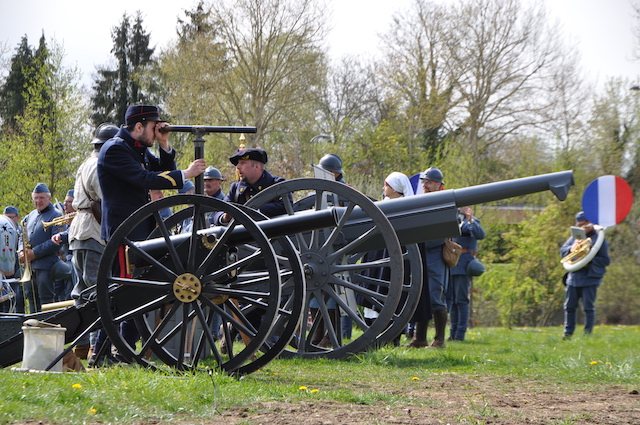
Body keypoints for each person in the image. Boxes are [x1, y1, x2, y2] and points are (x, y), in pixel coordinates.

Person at [93, 105, 206, 365]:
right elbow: (146, 179)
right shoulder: (115, 149)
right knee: (123, 291)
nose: (157, 131)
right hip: (124, 230)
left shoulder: (137, 149)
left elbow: (160, 169)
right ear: (139, 126)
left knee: (138, 291)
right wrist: (186, 174)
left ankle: (123, 351)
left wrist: (165, 145)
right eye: (154, 127)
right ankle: (102, 352)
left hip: (141, 229)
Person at [407, 166, 449, 348]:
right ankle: (420, 338)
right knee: (420, 295)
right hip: (421, 254)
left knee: (434, 297)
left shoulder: (444, 202)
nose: (426, 185)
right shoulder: (420, 200)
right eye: (424, 181)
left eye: (430, 182)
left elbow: (442, 233)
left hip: (434, 256)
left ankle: (439, 339)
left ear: (439, 185)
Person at [560, 211, 610, 338]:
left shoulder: (599, 238)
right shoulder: (575, 238)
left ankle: (587, 334)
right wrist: (571, 249)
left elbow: (605, 260)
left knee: (588, 307)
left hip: (590, 277)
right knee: (569, 307)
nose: (580, 227)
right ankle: (567, 334)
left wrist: (588, 260)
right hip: (574, 277)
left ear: (590, 224)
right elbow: (563, 251)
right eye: (578, 224)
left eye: (583, 225)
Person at [18, 183, 63, 312]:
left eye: (41, 198)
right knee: (31, 298)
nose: (38, 201)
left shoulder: (56, 215)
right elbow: (22, 235)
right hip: (30, 266)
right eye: (36, 198)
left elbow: (57, 241)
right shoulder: (30, 216)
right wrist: (22, 251)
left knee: (46, 301)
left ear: (49, 198)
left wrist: (34, 253)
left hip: (46, 266)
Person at [213, 148, 285, 225]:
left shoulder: (276, 184)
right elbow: (219, 212)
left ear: (257, 166)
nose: (238, 167)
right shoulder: (235, 188)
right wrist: (225, 217)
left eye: (243, 163)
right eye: (238, 163)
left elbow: (284, 207)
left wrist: (250, 211)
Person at [447, 206, 485, 341]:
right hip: (451, 264)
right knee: (452, 301)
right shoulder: (453, 220)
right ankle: (453, 333)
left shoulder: (472, 221)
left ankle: (460, 334)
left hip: (463, 265)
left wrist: (470, 221)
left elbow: (480, 235)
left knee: (461, 300)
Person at [1, 206, 22, 312]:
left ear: (17, 217)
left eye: (11, 217)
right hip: (5, 266)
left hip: (16, 264)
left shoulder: (19, 230)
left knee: (16, 295)